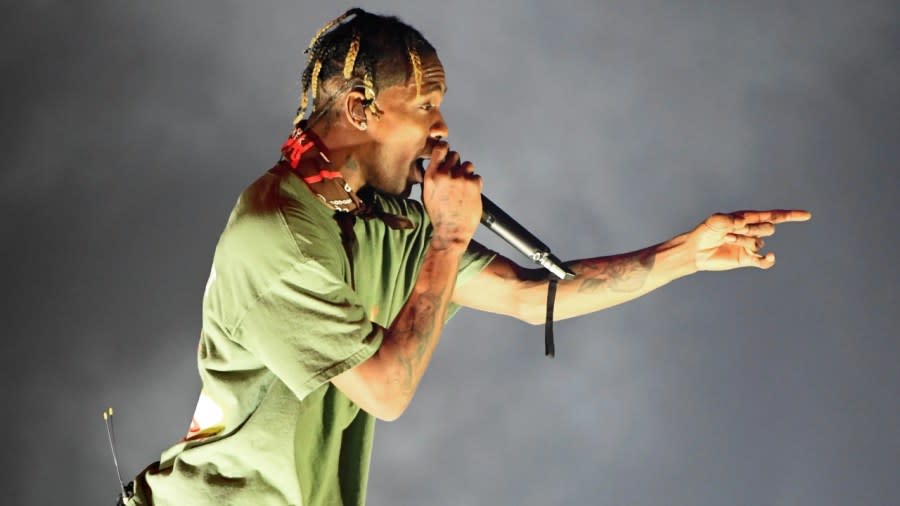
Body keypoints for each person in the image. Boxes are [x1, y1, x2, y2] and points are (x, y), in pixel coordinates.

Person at [123, 8, 810, 506]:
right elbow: (386, 391)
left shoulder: (390, 224)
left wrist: (683, 255)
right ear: (362, 109)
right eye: (425, 102)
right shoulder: (278, 230)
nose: (442, 127)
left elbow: (529, 294)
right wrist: (449, 237)